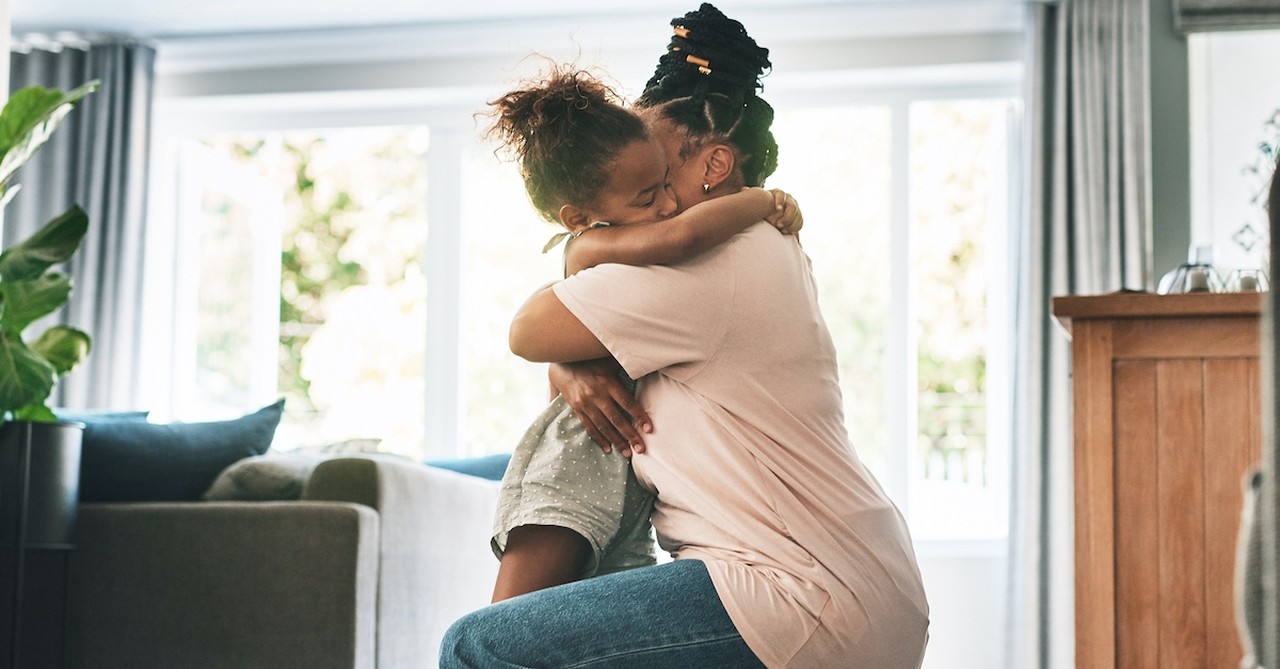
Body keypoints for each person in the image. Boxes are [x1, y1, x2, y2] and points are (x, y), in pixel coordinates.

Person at [440, 5, 929, 668]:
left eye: (657, 177)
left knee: (480, 644)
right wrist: (577, 369)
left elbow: (529, 328)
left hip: (798, 589)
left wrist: (582, 271)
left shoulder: (714, 260)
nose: (654, 204)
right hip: (839, 580)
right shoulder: (750, 250)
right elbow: (573, 357)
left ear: (714, 164)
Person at [483, 63, 803, 603]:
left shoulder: (611, 245)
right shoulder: (593, 246)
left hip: (620, 470)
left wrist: (568, 362)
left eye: (663, 183)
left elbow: (586, 334)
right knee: (503, 631)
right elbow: (680, 238)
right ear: (579, 217)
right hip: (578, 461)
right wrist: (761, 201)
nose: (668, 204)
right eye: (647, 196)